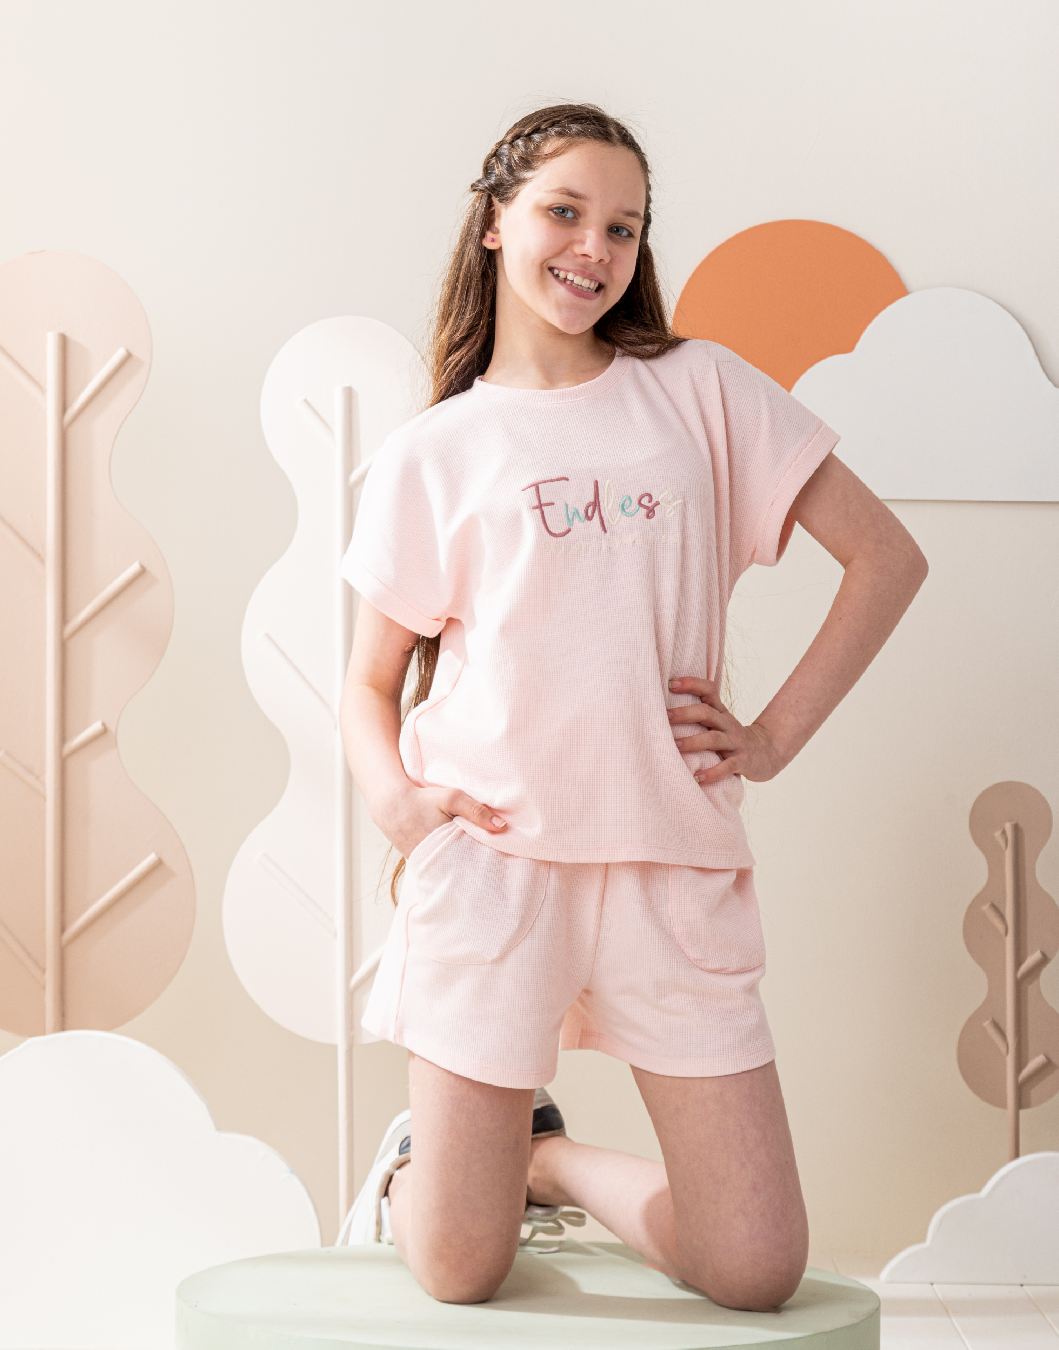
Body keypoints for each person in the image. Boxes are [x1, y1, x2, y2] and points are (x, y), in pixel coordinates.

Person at [338, 103, 927, 1312]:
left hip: (671, 858)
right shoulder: (436, 450)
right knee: (459, 1269)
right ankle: (426, 1177)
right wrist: (398, 804)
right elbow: (367, 679)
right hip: (495, 862)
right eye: (564, 213)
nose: (593, 249)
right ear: (495, 223)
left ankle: (542, 1161)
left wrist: (772, 738)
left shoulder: (700, 390)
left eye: (623, 226)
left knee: (754, 1267)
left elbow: (887, 559)